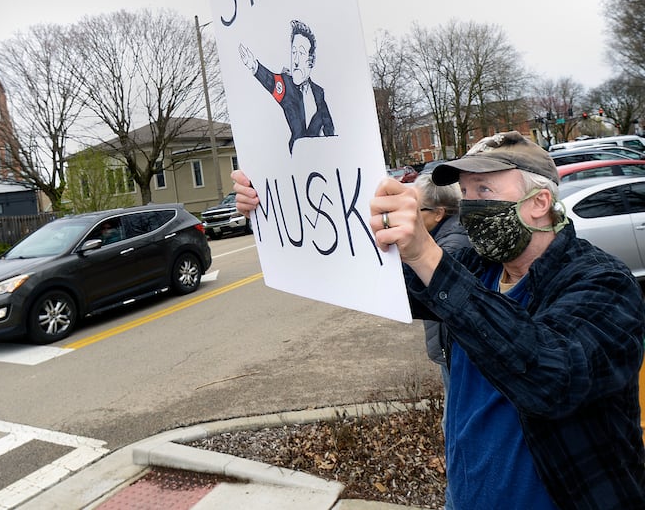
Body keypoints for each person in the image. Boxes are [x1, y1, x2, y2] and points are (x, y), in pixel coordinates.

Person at [231, 131, 645, 509]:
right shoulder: (478, 267)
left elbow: (551, 376)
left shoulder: (603, 282)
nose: (470, 205)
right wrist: (273, 213)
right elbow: (360, 271)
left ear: (538, 202)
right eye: (465, 192)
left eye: (484, 189)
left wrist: (427, 254)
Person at [238, 19, 335, 153]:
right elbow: (270, 81)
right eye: (293, 52)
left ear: (311, 61)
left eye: (300, 53)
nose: (295, 61)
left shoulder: (319, 93)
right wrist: (254, 66)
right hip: (295, 158)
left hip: (319, 158)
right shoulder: (286, 85)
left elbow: (329, 127)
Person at [414, 173, 470, 390]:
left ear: (438, 213)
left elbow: (429, 294)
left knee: (453, 419)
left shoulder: (451, 246)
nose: (409, 216)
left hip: (456, 350)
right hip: (449, 348)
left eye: (415, 210)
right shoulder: (441, 236)